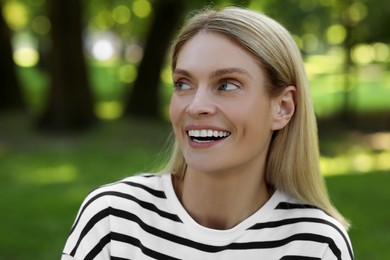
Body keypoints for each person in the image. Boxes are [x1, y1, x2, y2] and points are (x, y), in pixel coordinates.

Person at [61, 6, 354, 260]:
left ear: (283, 107)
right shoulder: (114, 219)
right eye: (183, 84)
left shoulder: (317, 244)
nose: (196, 106)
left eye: (227, 85)